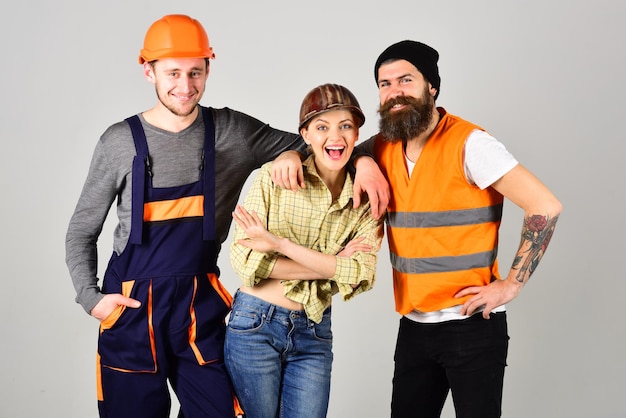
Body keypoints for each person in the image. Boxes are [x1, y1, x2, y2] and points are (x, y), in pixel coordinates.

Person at [64, 15, 387, 418]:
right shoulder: (119, 142)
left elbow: (321, 142)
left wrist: (366, 160)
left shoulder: (230, 130)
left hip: (198, 308)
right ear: (147, 71)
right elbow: (81, 231)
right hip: (130, 309)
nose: (185, 86)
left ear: (208, 69)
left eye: (195, 72)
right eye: (173, 73)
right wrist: (90, 299)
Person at [357, 40, 563, 417]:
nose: (394, 92)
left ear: (431, 87)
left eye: (406, 80)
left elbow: (545, 206)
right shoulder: (384, 146)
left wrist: (511, 284)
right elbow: (346, 149)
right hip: (414, 327)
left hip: (471, 326)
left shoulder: (470, 144)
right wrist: (364, 163)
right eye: (384, 84)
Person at [224, 83, 383, 418]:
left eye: (345, 127)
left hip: (314, 331)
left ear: (356, 134)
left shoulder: (366, 199)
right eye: (322, 127)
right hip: (255, 324)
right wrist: (333, 264)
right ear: (305, 135)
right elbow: (245, 261)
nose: (335, 137)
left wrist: (279, 246)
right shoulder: (273, 176)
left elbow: (361, 273)